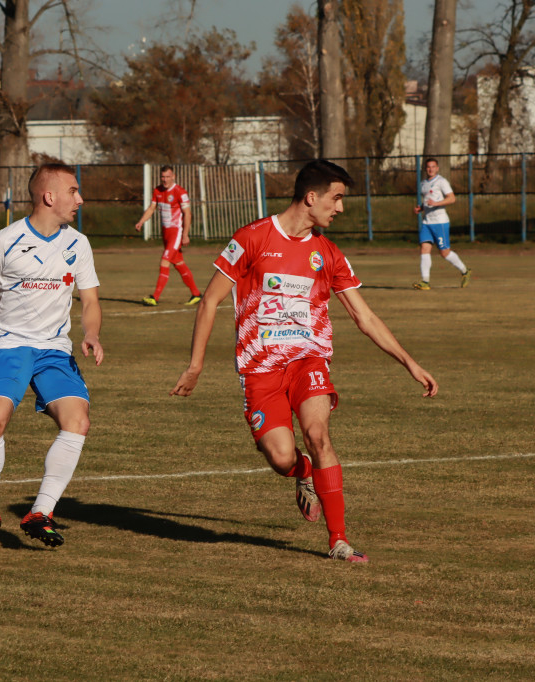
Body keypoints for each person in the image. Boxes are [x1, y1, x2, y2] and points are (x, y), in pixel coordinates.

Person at [170, 160, 438, 563]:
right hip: (260, 369)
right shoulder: (252, 238)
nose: (341, 208)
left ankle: (339, 540)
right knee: (281, 457)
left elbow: (364, 317)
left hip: (309, 362)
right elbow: (209, 301)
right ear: (311, 198)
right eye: (337, 198)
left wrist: (410, 363)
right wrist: (195, 366)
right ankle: (303, 474)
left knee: (319, 435)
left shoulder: (328, 253)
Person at [0, 163, 104, 551]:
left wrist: (91, 333)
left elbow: (89, 299)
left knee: (78, 422)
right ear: (49, 196)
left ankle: (41, 512)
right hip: (10, 346)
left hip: (54, 350)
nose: (80, 199)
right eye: (74, 191)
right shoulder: (5, 242)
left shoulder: (79, 243)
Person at [134, 165, 202, 306]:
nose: (165, 180)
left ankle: (155, 297)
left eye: (168, 177)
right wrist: (141, 221)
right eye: (163, 177)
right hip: (165, 233)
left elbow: (187, 214)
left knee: (164, 261)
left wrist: (185, 234)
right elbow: (152, 208)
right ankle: (196, 294)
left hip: (176, 232)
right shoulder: (157, 190)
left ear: (174, 176)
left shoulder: (180, 192)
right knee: (178, 263)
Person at [412, 158, 472, 290]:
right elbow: (428, 201)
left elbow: (452, 198)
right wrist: (421, 208)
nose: (431, 169)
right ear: (425, 169)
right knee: (424, 249)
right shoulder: (423, 184)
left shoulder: (442, 182)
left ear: (437, 168)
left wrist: (436, 204)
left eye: (433, 167)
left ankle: (465, 271)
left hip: (440, 222)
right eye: (428, 167)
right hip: (427, 222)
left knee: (444, 252)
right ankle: (425, 282)